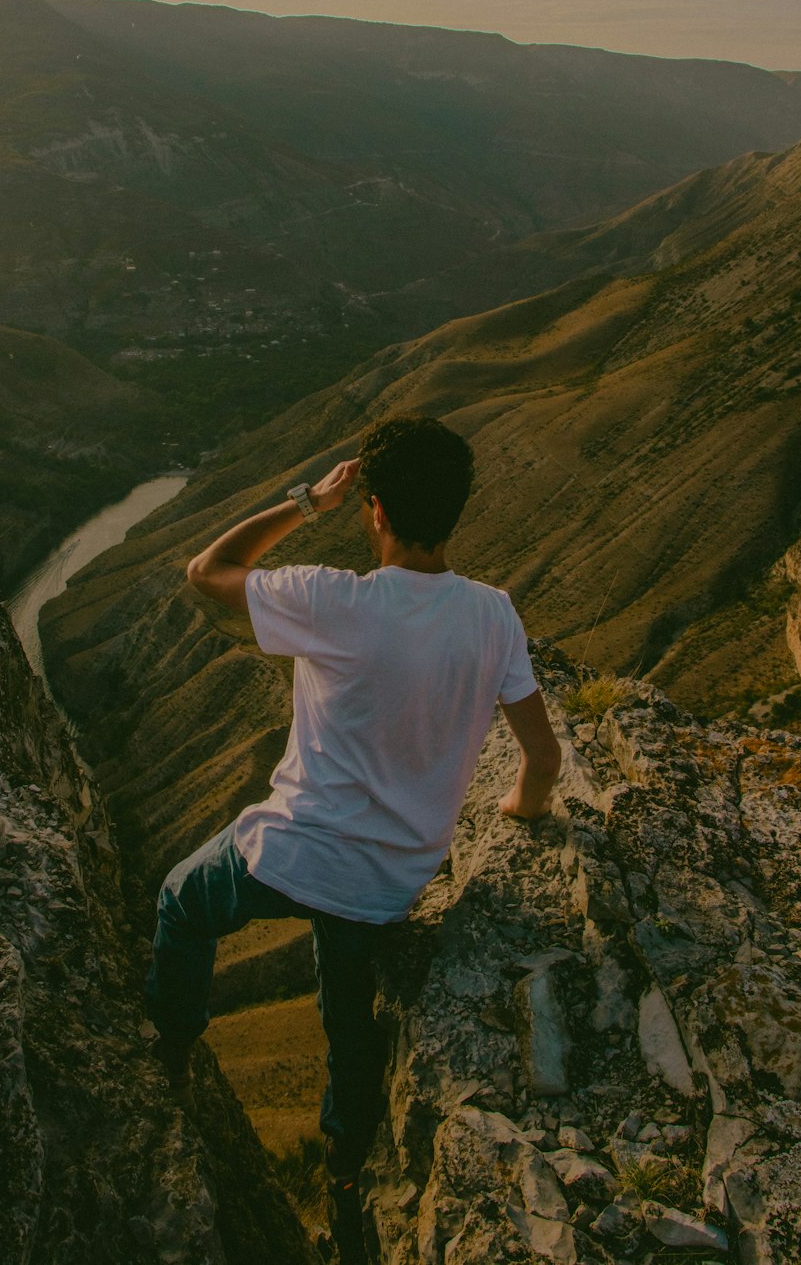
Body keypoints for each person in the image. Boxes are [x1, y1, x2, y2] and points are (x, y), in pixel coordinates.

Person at [144, 416, 561, 1261]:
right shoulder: (493, 616)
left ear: (372, 510)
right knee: (350, 1028)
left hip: (295, 849)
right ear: (457, 510)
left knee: (183, 903)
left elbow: (207, 573)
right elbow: (542, 755)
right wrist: (520, 809)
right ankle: (346, 1173)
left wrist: (305, 501)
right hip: (390, 883)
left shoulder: (339, 600)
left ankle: (171, 1054)